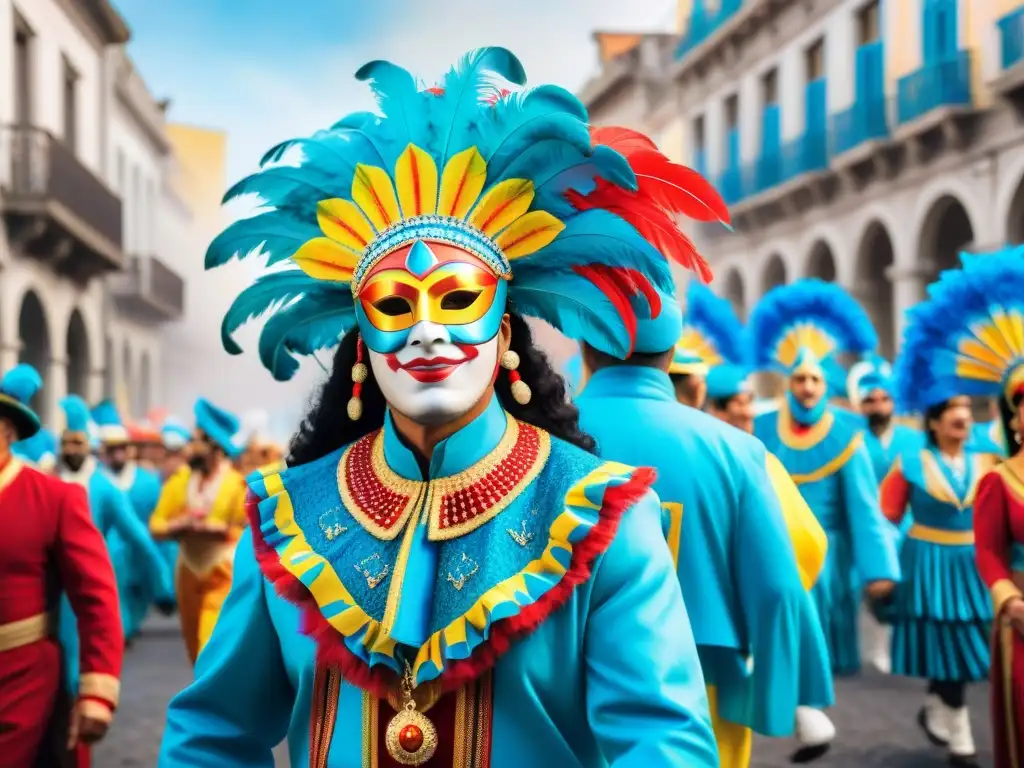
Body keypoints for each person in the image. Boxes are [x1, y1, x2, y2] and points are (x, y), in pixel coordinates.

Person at [159, 49, 720, 767]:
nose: (428, 330)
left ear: (505, 333)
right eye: (396, 307)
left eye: (458, 301)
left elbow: (662, 746)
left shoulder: (600, 520)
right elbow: (210, 736)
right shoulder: (283, 519)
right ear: (362, 342)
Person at [577, 282, 834, 768]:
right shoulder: (737, 450)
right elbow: (780, 587)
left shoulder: (529, 440)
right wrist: (781, 696)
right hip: (703, 675)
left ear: (586, 346)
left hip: (563, 678)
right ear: (672, 352)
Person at [750, 278, 901, 751]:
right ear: (788, 384)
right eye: (800, 380)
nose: (808, 388)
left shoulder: (847, 437)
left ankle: (808, 711)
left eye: (815, 380)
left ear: (826, 384)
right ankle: (803, 713)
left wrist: (879, 570)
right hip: (775, 547)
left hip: (827, 559)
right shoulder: (762, 428)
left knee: (812, 636)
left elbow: (864, 510)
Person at [907, 245, 1024, 768]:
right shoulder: (996, 476)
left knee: (963, 652)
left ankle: (946, 711)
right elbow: (881, 517)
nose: (961, 418)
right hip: (948, 571)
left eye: (965, 410)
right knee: (952, 651)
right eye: (952, 410)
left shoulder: (984, 462)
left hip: (969, 576)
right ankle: (950, 718)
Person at [0, 364, 123, 767]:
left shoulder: (54, 498)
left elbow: (96, 598)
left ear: (7, 432)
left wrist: (96, 690)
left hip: (23, 682)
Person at [56, 395, 173, 676]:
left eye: (78, 442)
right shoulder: (49, 483)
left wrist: (163, 582)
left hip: (100, 572)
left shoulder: (104, 488)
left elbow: (139, 536)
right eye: (66, 443)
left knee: (84, 658)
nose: (72, 449)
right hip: (55, 583)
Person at [148, 398, 248, 665]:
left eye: (196, 442)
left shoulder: (237, 485)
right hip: (188, 571)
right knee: (194, 649)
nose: (189, 448)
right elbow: (156, 525)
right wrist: (177, 525)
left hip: (222, 571)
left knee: (209, 645)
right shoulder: (180, 481)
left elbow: (247, 532)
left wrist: (222, 530)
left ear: (214, 446)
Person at [846, 354, 922, 674]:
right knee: (861, 589)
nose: (877, 405)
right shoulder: (851, 441)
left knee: (903, 590)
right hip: (862, 527)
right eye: (870, 399)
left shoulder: (914, 440)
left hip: (904, 527)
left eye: (883, 398)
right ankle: (865, 651)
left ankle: (899, 651)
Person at [91, 399, 167, 640]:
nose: (118, 453)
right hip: (110, 550)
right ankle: (120, 632)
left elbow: (158, 516)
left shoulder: (147, 481)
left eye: (122, 447)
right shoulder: (96, 482)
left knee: (137, 594)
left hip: (141, 546)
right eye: (112, 449)